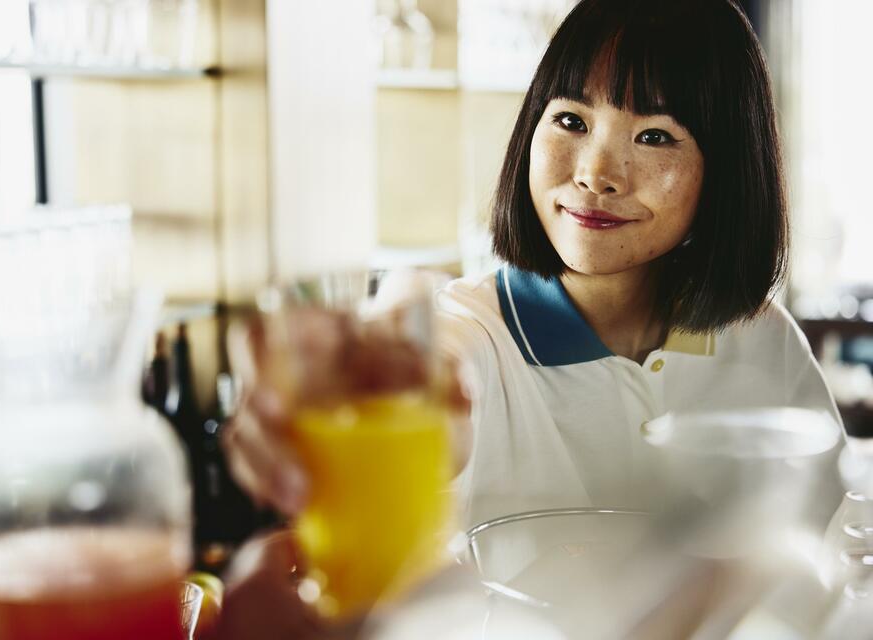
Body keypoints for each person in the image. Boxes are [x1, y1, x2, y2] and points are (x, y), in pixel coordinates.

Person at [215, 0, 844, 636]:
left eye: (654, 135)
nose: (596, 173)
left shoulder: (761, 340)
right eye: (571, 119)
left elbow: (825, 550)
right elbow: (430, 382)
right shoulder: (475, 335)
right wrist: (372, 382)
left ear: (728, 171)